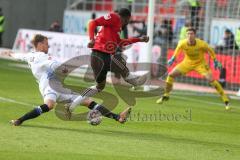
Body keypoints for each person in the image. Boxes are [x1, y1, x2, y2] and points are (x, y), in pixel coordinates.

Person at [1, 34, 131, 126]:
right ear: (40, 44)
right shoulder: (42, 57)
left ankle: (118, 117)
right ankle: (20, 120)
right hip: (49, 86)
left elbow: (18, 55)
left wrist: (9, 53)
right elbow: (54, 64)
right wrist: (63, 69)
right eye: (46, 44)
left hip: (56, 87)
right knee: (50, 105)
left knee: (87, 101)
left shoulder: (30, 55)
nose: (48, 46)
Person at [156, 28, 230, 110]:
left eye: (191, 34)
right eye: (188, 34)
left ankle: (225, 99)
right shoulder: (182, 43)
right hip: (187, 63)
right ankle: (166, 95)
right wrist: (173, 58)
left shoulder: (201, 44)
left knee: (211, 79)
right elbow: (177, 50)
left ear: (195, 35)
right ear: (186, 35)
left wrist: (215, 60)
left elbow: (210, 50)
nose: (189, 35)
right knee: (171, 74)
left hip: (200, 64)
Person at [83, 8, 149, 98]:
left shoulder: (117, 27)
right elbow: (93, 23)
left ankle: (72, 105)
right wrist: (91, 39)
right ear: (126, 18)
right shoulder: (114, 17)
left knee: (100, 86)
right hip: (102, 54)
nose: (127, 23)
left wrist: (139, 39)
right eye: (128, 21)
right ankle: (136, 82)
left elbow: (120, 42)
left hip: (98, 55)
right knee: (122, 67)